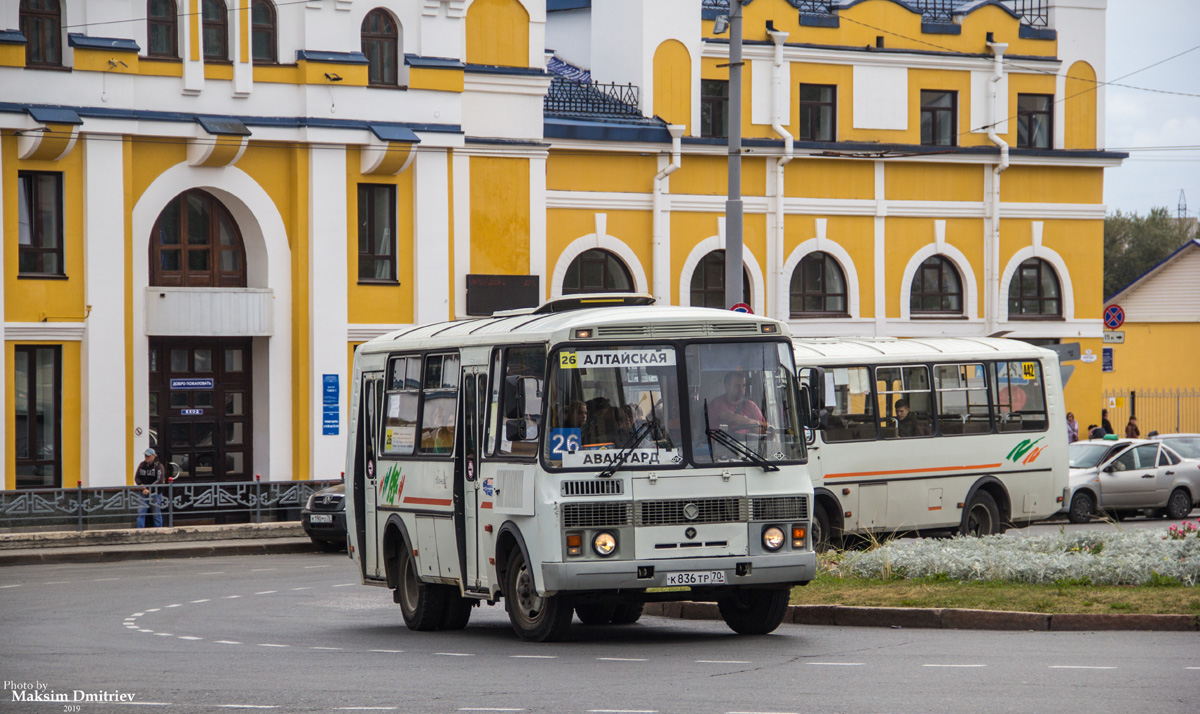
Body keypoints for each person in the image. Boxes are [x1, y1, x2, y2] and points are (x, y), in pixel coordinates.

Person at [134, 448, 166, 528]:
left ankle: (158, 531)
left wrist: (149, 489)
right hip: (143, 493)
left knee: (156, 514)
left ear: (154, 456)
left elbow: (160, 480)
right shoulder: (142, 465)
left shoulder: (158, 466)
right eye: (145, 455)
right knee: (141, 514)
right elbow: (137, 477)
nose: (146, 457)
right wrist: (142, 486)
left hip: (155, 493)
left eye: (148, 456)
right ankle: (140, 531)